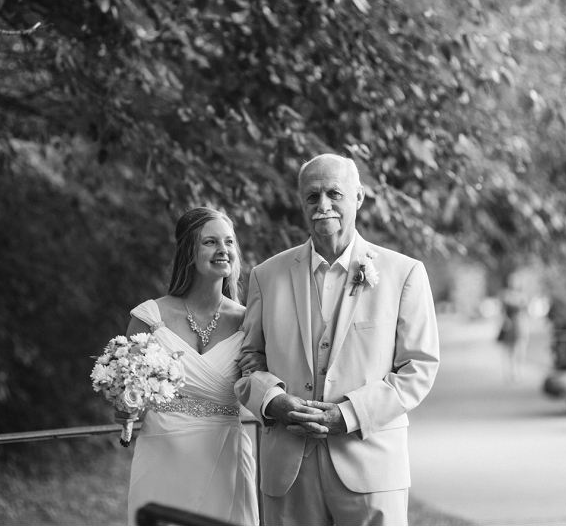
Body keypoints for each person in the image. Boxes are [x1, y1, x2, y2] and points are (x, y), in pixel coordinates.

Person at [234, 154, 440, 526]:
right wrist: (272, 400)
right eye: (312, 197)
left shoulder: (403, 273)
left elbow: (419, 368)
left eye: (334, 193)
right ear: (301, 203)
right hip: (287, 470)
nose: (322, 205)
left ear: (359, 197)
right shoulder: (267, 276)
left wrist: (348, 414)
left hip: (371, 465)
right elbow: (248, 362)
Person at [115, 207, 260, 525]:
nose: (223, 250)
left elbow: (265, 383)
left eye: (229, 242)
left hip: (226, 456)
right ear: (188, 252)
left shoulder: (249, 321)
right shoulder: (150, 318)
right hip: (163, 453)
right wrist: (125, 406)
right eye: (211, 242)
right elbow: (125, 387)